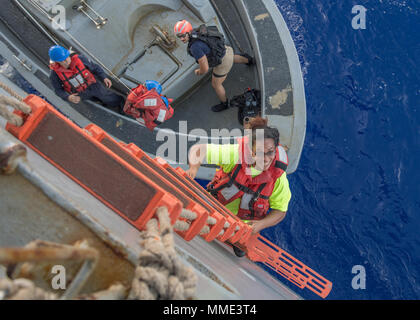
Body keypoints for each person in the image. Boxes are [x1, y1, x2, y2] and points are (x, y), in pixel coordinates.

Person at [186, 117, 291, 257]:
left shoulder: (278, 178)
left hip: (241, 226)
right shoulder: (235, 154)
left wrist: (261, 225)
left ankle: (236, 240)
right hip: (212, 207)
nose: (265, 159)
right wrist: (192, 171)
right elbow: (199, 149)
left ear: (276, 149)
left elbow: (280, 211)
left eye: (270, 152)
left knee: (239, 251)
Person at [173, 20, 254, 112]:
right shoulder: (198, 31)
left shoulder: (195, 47)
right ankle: (249, 60)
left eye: (182, 35)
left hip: (222, 63)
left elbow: (205, 68)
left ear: (188, 32)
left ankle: (225, 103)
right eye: (178, 36)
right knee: (231, 57)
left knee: (216, 84)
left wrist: (199, 72)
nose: (181, 39)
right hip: (226, 50)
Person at [48, 45, 125, 113]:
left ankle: (121, 104)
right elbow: (58, 90)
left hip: (93, 85)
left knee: (106, 96)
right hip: (80, 93)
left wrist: (104, 77)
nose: (65, 62)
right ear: (57, 62)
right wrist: (68, 97)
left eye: (66, 58)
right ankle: (102, 104)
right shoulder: (54, 74)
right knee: (94, 100)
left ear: (68, 54)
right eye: (61, 61)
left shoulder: (80, 59)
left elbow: (95, 67)